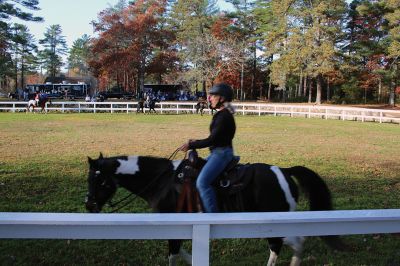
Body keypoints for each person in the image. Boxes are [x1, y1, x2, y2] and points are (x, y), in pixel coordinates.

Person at [178, 83, 236, 212]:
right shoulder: (223, 114)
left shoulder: (223, 116)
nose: (209, 98)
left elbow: (212, 140)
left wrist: (191, 145)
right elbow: (215, 138)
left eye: (213, 96)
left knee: (202, 183)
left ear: (221, 98)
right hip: (218, 152)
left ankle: (212, 218)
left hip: (221, 154)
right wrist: (196, 141)